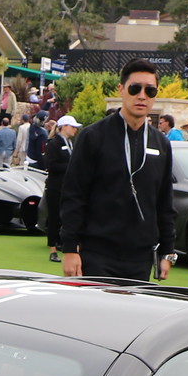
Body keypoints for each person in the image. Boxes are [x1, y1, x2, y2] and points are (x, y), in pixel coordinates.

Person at [58, 62, 176, 281]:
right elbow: (74, 195)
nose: (142, 96)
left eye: (150, 91)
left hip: (141, 258)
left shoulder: (161, 143)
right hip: (97, 254)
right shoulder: (93, 136)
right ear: (121, 89)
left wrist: (167, 251)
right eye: (135, 88)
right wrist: (70, 248)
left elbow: (164, 201)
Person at [42, 115, 76, 259]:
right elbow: (50, 165)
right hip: (55, 186)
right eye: (72, 127)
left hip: (68, 187)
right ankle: (53, 248)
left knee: (67, 217)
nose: (75, 130)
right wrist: (71, 166)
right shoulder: (54, 143)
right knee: (54, 217)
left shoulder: (71, 143)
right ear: (64, 127)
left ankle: (63, 243)